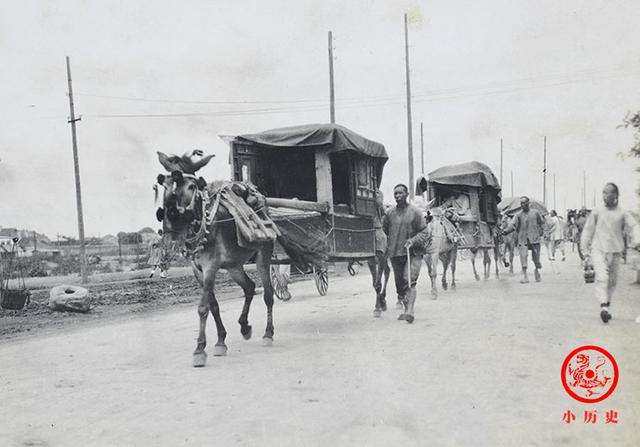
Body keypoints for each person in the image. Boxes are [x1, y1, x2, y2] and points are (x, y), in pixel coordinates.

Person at [580, 183, 640, 323]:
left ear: (616, 195)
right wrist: (585, 251)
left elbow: (634, 226)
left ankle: (606, 306)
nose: (605, 195)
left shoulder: (623, 212)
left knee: (612, 281)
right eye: (604, 192)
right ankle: (603, 307)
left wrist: (637, 241)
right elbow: (588, 231)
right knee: (602, 277)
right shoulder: (597, 211)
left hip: (616, 250)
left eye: (609, 192)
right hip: (598, 249)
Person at [382, 184, 432, 323]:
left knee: (409, 280)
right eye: (395, 193)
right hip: (395, 253)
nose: (398, 196)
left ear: (407, 194)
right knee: (400, 285)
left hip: (413, 252)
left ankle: (410, 310)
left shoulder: (415, 212)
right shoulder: (389, 213)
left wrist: (413, 240)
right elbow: (385, 230)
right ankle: (406, 309)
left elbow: (425, 232)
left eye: (400, 193)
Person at [502, 196, 545, 283]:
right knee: (523, 256)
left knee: (536, 259)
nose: (522, 205)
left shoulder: (535, 213)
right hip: (523, 239)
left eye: (524, 203)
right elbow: (512, 225)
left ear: (528, 203)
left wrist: (541, 232)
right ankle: (525, 276)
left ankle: (536, 270)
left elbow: (542, 223)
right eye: (521, 203)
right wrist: (505, 231)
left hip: (534, 239)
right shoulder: (518, 215)